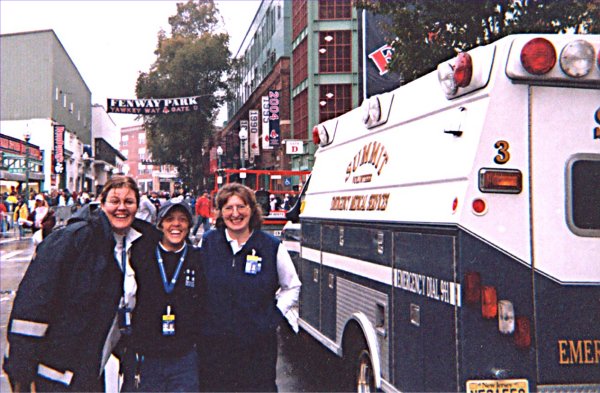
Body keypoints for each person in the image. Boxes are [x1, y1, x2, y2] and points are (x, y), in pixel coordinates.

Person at [3, 175, 159, 392]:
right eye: (115, 201)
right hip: (56, 374)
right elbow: (32, 307)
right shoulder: (75, 239)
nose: (121, 208)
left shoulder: (138, 244)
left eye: (129, 202)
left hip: (93, 369)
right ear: (102, 203)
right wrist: (21, 373)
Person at [198, 183, 301, 392]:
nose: (235, 214)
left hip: (257, 346)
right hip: (216, 346)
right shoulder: (208, 242)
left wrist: (273, 315)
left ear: (252, 210)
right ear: (220, 212)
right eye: (228, 208)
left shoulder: (270, 246)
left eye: (241, 207)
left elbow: (292, 286)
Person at [123, 199, 201, 392]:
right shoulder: (143, 253)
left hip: (184, 357)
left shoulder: (198, 258)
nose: (176, 224)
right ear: (160, 224)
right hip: (148, 355)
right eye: (169, 219)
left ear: (189, 225)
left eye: (182, 219)